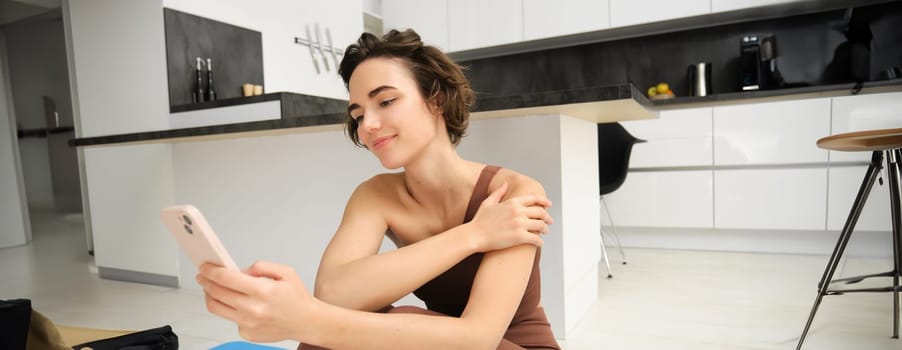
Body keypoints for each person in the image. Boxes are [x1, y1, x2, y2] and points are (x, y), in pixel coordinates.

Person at [196, 28, 561, 350]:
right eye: (358, 114)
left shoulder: (513, 193)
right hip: (442, 342)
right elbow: (334, 293)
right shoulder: (376, 195)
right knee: (334, 334)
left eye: (386, 101)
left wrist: (306, 319)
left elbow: (477, 338)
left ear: (435, 100)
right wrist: (474, 235)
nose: (369, 124)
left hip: (506, 346)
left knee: (366, 324)